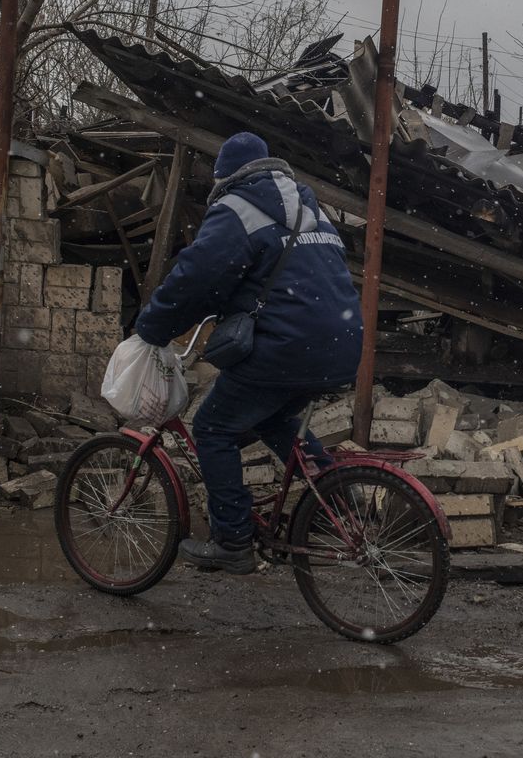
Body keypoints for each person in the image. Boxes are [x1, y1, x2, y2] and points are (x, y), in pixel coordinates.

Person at [133, 132, 362, 574]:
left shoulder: (238, 209)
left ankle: (232, 539)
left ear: (225, 176)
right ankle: (337, 501)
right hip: (341, 342)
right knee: (275, 416)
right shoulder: (314, 207)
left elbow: (196, 278)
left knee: (213, 427)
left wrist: (152, 327)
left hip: (289, 347)